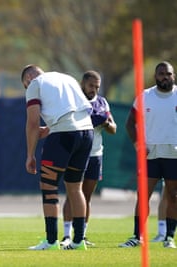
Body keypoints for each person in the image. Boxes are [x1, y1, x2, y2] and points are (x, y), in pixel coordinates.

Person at [21, 64, 94, 250]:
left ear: (28, 78)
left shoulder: (34, 84)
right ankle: (78, 241)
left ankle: (51, 241)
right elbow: (75, 111)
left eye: (25, 85)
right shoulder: (67, 77)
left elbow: (32, 122)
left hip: (63, 135)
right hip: (86, 133)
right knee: (75, 189)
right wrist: (52, 127)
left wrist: (30, 155)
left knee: (49, 187)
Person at [120, 61, 177, 249]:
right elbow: (130, 123)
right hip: (150, 154)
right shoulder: (145, 96)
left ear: (173, 76)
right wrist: (138, 145)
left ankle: (169, 237)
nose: (164, 77)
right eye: (161, 74)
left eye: (168, 74)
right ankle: (137, 236)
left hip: (173, 152)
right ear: (155, 76)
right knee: (143, 196)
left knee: (173, 196)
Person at [60, 71, 117, 247]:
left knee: (87, 196)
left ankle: (82, 234)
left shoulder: (101, 102)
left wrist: (105, 122)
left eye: (97, 87)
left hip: (95, 155)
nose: (94, 90)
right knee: (72, 194)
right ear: (83, 83)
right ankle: (67, 235)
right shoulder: (74, 100)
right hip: (76, 153)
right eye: (91, 86)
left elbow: (113, 128)